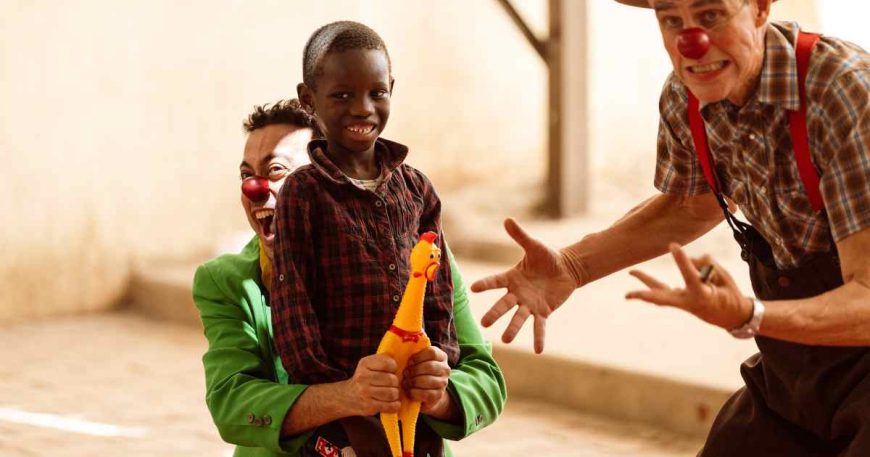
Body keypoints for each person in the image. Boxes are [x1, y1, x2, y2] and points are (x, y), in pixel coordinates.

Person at [472, 0, 870, 455]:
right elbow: (689, 205)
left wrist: (748, 314)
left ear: (760, 8)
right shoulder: (689, 96)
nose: (692, 42)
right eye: (671, 19)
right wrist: (572, 266)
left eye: (711, 16)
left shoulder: (842, 92)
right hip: (795, 366)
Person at [193, 99, 505, 457]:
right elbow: (232, 404)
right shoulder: (227, 281)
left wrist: (440, 396)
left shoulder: (419, 257)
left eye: (278, 170)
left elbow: (486, 378)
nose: (256, 189)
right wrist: (345, 396)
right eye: (247, 175)